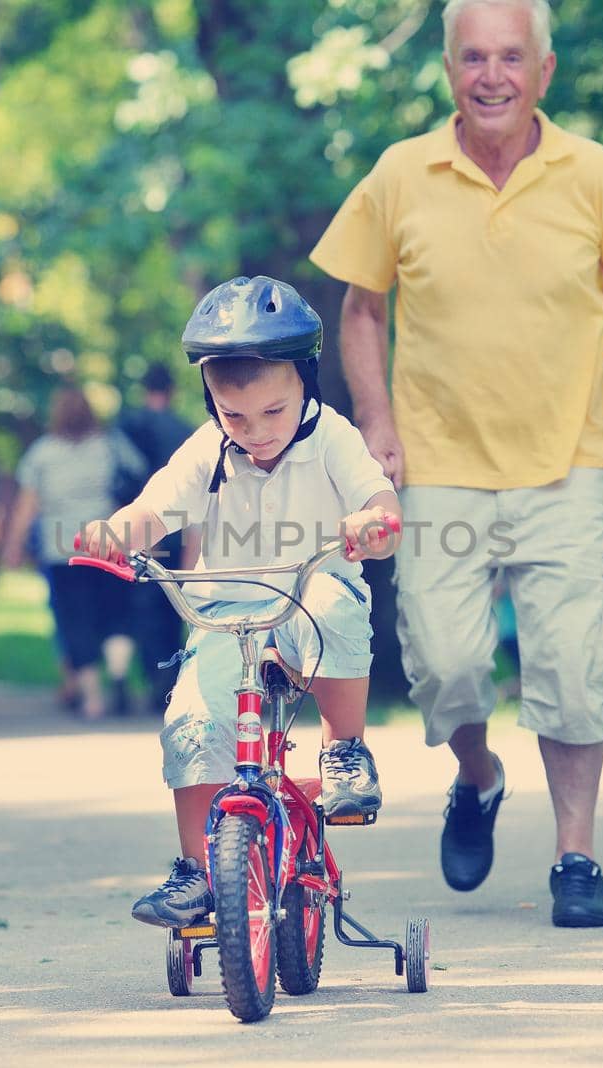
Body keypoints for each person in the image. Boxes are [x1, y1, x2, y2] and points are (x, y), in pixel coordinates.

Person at [309, 0, 603, 928]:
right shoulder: (401, 174)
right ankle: (477, 777)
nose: (492, 76)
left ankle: (577, 858)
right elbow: (361, 308)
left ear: (543, 72)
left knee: (573, 663)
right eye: (473, 57)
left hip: (567, 462)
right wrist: (376, 422)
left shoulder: (592, 173)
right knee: (445, 664)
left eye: (511, 58)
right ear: (448, 71)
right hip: (438, 466)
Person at [75, 275, 401, 928]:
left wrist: (373, 522)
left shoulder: (332, 437)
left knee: (335, 606)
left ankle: (344, 751)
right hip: (227, 611)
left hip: (312, 594)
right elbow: (155, 507)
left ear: (305, 383)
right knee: (194, 718)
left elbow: (379, 498)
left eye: (273, 413)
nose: (255, 432)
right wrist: (118, 533)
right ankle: (197, 870)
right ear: (211, 402)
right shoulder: (207, 448)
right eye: (235, 416)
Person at [4, 388, 139, 721]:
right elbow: (138, 481)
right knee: (114, 614)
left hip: (63, 549)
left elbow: (27, 505)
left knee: (75, 621)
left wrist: (13, 545)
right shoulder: (110, 445)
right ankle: (119, 673)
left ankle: (93, 698)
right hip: (109, 542)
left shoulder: (42, 453)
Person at [114, 363, 198, 710]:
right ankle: (166, 678)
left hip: (136, 526)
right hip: (176, 529)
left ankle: (144, 676)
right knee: (169, 605)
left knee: (136, 606)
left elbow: (119, 479)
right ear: (173, 389)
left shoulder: (126, 427)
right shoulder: (186, 432)